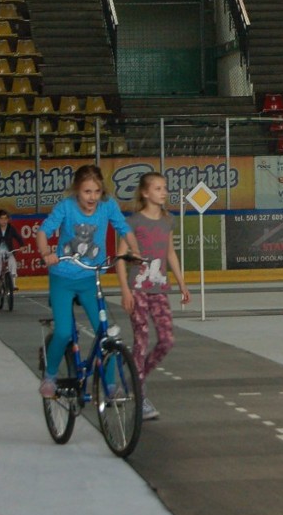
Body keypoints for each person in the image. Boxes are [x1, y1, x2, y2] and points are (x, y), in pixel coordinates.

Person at [35, 165, 139, 400]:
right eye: (86, 192)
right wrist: (46, 253)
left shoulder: (108, 205)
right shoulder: (66, 207)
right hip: (63, 278)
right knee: (62, 332)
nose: (92, 197)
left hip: (91, 277)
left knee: (106, 333)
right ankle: (50, 375)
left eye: (96, 191)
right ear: (76, 191)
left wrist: (135, 250)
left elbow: (124, 228)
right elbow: (44, 232)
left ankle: (110, 385)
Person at [119, 172, 190, 421]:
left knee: (166, 340)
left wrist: (181, 283)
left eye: (164, 188)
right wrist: (125, 290)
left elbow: (170, 253)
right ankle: (141, 395)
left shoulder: (168, 221)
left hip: (159, 288)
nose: (164, 192)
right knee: (141, 339)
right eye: (158, 188)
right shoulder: (133, 222)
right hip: (138, 288)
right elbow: (121, 257)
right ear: (145, 193)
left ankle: (134, 380)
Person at [0, 209, 24, 295]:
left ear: (8, 219)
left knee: (13, 263)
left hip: (8, 251)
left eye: (5, 218)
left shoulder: (10, 228)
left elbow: (18, 237)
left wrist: (22, 245)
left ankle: (13, 284)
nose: (4, 221)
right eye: (1, 219)